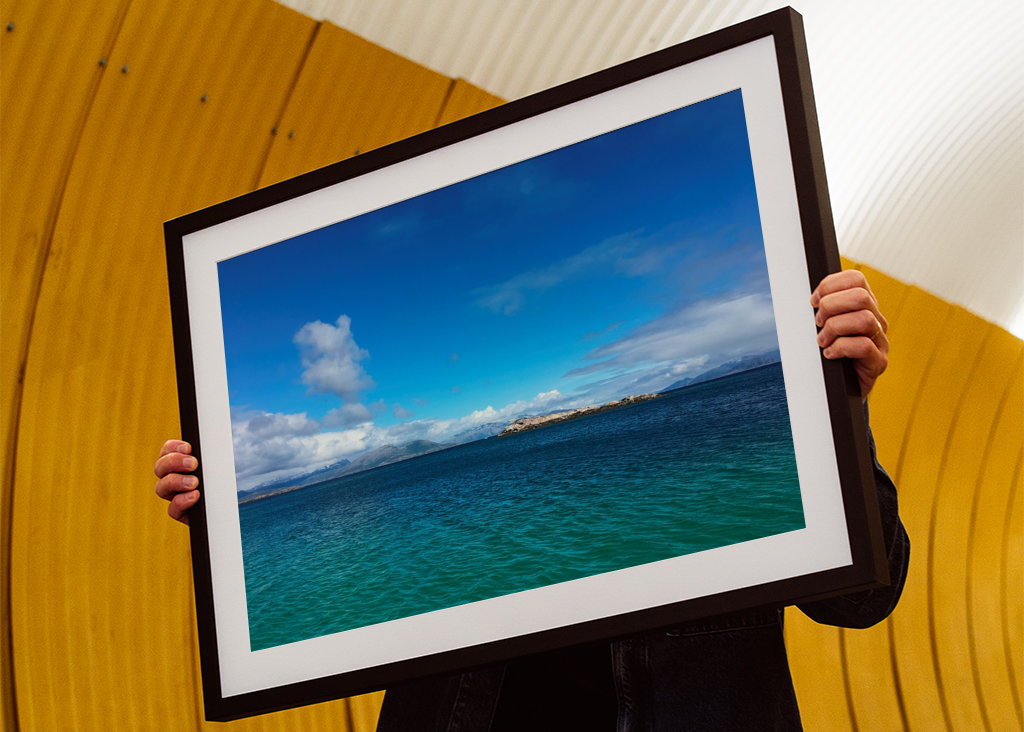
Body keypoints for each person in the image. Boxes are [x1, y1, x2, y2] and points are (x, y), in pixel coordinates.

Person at [154, 270, 909, 730]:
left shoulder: (778, 412)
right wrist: (229, 517)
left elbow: (865, 597)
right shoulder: (420, 536)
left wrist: (841, 404)